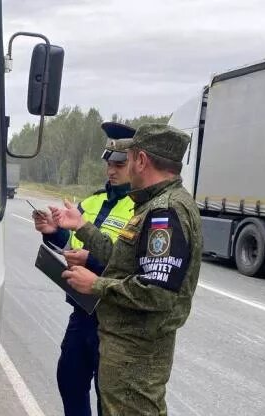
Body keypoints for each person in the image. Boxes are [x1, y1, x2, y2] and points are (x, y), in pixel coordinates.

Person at [54, 124, 202, 416]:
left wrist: (96, 285)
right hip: (128, 346)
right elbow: (124, 260)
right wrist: (83, 228)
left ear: (142, 160)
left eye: (129, 158)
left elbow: (157, 293)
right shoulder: (153, 205)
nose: (123, 166)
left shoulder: (165, 212)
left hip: (137, 352)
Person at [32, 122, 136, 416]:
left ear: (136, 164)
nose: (111, 170)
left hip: (114, 315)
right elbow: (73, 245)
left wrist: (90, 261)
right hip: (83, 310)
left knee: (109, 396)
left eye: (119, 163)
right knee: (70, 380)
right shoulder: (91, 201)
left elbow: (128, 263)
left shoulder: (139, 210)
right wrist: (53, 232)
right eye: (108, 162)